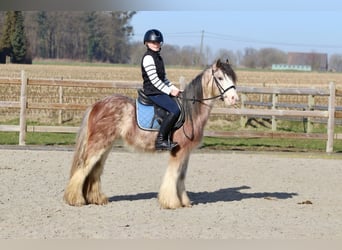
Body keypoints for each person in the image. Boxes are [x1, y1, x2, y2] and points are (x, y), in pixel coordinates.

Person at [141, 29, 181, 151]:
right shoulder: (148, 58)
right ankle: (160, 140)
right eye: (153, 42)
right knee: (175, 110)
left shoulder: (158, 58)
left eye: (158, 42)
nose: (156, 44)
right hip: (153, 92)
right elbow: (154, 80)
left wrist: (174, 88)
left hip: (159, 90)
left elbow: (163, 79)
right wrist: (169, 91)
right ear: (147, 43)